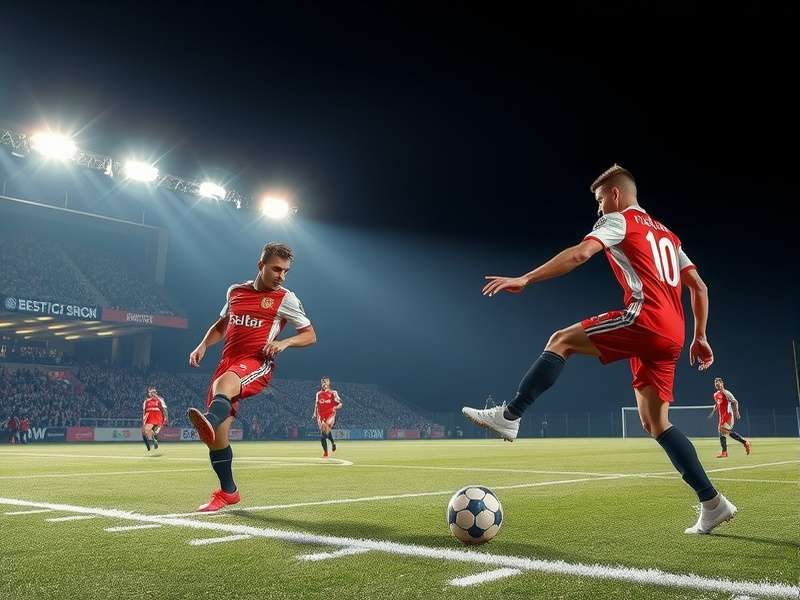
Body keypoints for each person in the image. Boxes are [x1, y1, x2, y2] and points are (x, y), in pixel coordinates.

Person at [462, 164, 736, 535]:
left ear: (616, 195)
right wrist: (700, 336)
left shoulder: (620, 221)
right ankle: (713, 503)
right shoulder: (669, 236)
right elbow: (699, 287)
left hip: (646, 320)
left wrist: (524, 278)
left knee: (561, 340)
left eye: (599, 199)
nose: (598, 208)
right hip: (673, 332)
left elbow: (578, 255)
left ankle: (510, 415)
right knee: (656, 424)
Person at [187, 242, 316, 511]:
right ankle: (228, 492)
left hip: (256, 363)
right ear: (261, 266)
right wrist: (202, 345)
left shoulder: (285, 298)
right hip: (227, 363)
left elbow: (310, 335)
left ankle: (208, 420)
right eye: (276, 269)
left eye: (285, 271)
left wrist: (284, 343)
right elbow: (222, 324)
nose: (281, 276)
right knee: (218, 437)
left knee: (225, 386)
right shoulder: (235, 291)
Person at [709, 377, 751, 458]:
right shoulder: (716, 394)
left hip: (728, 415)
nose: (717, 385)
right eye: (716, 384)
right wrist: (713, 411)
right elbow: (717, 403)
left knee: (721, 430)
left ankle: (745, 442)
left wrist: (736, 411)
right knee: (722, 433)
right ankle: (725, 452)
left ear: (722, 383)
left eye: (718, 384)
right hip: (722, 416)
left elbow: (735, 402)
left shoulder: (726, 393)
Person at [313, 376, 342, 457]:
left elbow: (340, 403)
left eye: (325, 382)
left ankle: (325, 453)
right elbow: (316, 404)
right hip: (320, 415)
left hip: (330, 414)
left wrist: (336, 406)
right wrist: (314, 413)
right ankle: (331, 444)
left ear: (329, 383)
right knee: (324, 434)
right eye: (322, 382)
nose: (324, 383)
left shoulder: (333, 393)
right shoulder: (318, 394)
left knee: (325, 429)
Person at [142, 386, 168, 451]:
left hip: (156, 418)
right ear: (149, 393)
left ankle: (151, 443)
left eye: (154, 392)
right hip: (151, 418)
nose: (153, 393)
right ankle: (151, 443)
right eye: (151, 392)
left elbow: (164, 409)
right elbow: (144, 411)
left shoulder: (159, 399)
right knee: (149, 432)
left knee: (147, 431)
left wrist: (166, 418)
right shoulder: (146, 401)